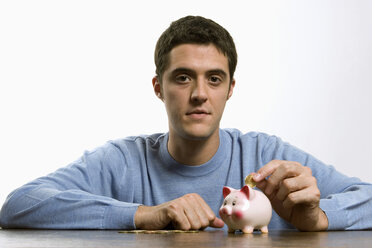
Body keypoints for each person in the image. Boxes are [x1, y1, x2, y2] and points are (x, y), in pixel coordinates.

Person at [1, 15, 371, 231]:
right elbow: (19, 205)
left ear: (230, 89)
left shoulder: (266, 156)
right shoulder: (123, 161)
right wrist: (146, 215)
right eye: (182, 78)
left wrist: (320, 218)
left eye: (214, 79)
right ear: (158, 88)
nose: (199, 94)